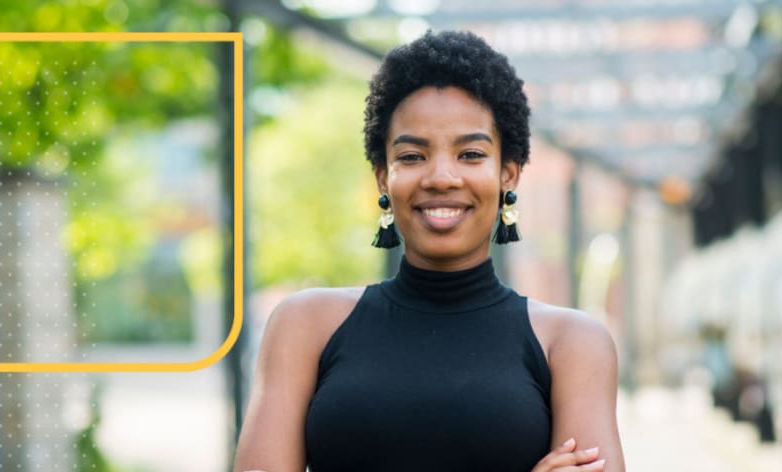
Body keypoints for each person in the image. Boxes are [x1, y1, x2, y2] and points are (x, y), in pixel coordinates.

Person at [234, 30, 625, 472]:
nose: (441, 177)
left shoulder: (571, 344)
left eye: (471, 154)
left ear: (509, 175)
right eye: (413, 156)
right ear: (384, 176)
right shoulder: (304, 326)